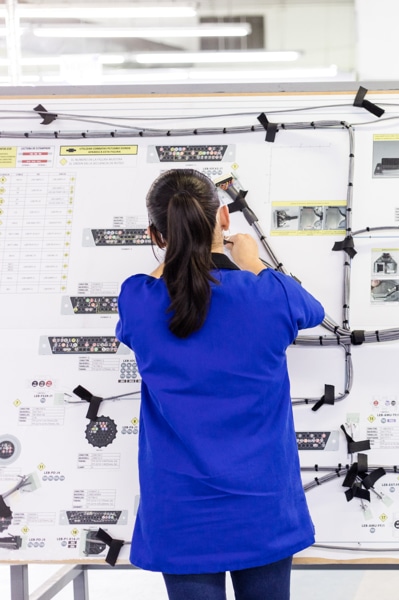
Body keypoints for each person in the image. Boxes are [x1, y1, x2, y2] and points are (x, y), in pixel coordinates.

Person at [115, 168, 324, 600]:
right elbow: (313, 309)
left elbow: (159, 285)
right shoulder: (270, 297)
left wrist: (175, 253)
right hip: (261, 502)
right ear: (224, 219)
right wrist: (252, 263)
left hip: (180, 508)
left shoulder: (139, 301)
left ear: (157, 234)